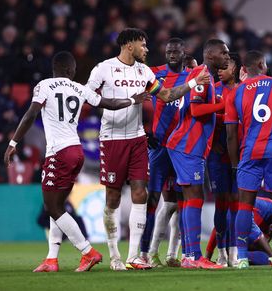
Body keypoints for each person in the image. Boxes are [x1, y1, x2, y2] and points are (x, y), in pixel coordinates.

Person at [3, 51, 148, 272]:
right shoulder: (80, 88)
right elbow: (108, 103)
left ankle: (87, 251)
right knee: (57, 206)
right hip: (76, 152)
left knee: (52, 206)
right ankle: (52, 259)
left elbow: (31, 114)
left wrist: (13, 142)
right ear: (71, 71)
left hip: (58, 153)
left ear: (54, 69)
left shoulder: (43, 86)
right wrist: (132, 100)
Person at [86, 28, 210, 271]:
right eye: (143, 45)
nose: (147, 49)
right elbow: (88, 94)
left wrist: (194, 81)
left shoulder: (144, 71)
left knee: (141, 194)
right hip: (111, 139)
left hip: (137, 139)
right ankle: (114, 256)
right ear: (129, 45)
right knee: (112, 197)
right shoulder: (103, 68)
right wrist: (123, 102)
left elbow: (166, 95)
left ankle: (134, 256)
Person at [226, 50, 272, 269]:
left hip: (249, 152)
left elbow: (231, 134)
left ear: (243, 69)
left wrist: (236, 163)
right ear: (263, 64)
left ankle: (242, 258)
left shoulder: (235, 93)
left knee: (244, 205)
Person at [166, 38, 229, 269]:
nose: (227, 57)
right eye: (224, 53)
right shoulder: (202, 76)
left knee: (189, 200)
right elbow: (196, 109)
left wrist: (223, 114)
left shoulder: (205, 76)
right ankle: (194, 256)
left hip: (189, 146)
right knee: (195, 198)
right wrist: (225, 106)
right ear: (211, 55)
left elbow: (206, 112)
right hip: (187, 146)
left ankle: (188, 256)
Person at [140, 38, 190, 268]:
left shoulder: (192, 76)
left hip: (182, 148)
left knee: (180, 203)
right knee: (152, 199)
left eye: (175, 51)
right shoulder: (153, 74)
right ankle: (144, 252)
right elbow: (136, 101)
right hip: (159, 147)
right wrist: (143, 131)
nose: (171, 54)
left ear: (183, 53)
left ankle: (175, 254)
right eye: (168, 51)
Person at [207, 52, 241, 266]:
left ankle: (235, 252)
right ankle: (221, 253)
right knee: (221, 204)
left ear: (235, 68)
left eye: (224, 66)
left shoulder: (243, 90)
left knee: (237, 205)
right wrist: (213, 141)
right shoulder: (214, 90)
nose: (219, 70)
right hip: (217, 155)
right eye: (217, 67)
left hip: (238, 156)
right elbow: (204, 117)